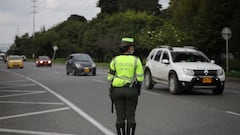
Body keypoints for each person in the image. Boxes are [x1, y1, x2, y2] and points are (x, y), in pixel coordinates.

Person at [107, 37, 144, 135]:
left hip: (117, 91)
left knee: (120, 116)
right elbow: (140, 78)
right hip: (131, 90)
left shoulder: (115, 60)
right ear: (129, 48)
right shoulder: (136, 60)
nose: (133, 49)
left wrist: (118, 81)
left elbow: (109, 77)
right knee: (131, 116)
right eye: (132, 47)